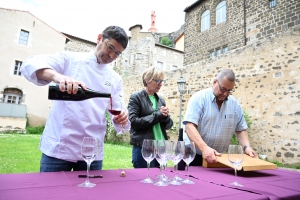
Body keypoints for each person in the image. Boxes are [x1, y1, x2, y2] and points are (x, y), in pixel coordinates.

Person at [20, 26, 130, 172]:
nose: (111, 55)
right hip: (59, 149)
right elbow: (29, 64)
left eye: (117, 53)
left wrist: (121, 117)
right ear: (99, 39)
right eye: (110, 48)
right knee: (51, 194)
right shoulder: (69, 59)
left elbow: (117, 110)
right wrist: (57, 76)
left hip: (92, 151)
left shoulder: (115, 79)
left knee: (89, 195)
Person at [183, 69, 257, 166]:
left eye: (229, 90)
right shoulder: (198, 98)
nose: (226, 93)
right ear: (214, 82)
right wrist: (204, 149)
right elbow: (189, 127)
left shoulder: (235, 104)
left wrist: (247, 147)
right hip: (192, 155)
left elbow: (241, 129)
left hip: (218, 157)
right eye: (223, 89)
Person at [128, 67, 173, 168]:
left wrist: (165, 117)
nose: (160, 84)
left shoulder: (161, 100)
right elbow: (133, 122)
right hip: (144, 148)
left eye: (162, 81)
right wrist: (158, 115)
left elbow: (168, 125)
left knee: (161, 181)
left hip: (162, 148)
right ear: (147, 80)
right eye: (158, 81)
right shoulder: (136, 97)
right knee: (144, 181)